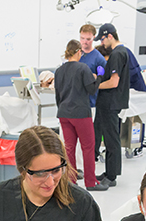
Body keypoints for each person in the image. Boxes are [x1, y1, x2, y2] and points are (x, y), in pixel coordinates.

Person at [55, 40, 104, 192]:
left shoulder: (59, 71)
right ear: (78, 52)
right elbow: (92, 89)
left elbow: (58, 95)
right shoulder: (83, 68)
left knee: (69, 148)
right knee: (88, 147)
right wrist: (100, 76)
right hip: (81, 113)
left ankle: (71, 181)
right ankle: (91, 182)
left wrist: (63, 108)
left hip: (64, 113)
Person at [93, 23, 130, 188]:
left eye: (102, 39)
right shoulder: (123, 52)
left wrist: (95, 85)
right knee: (109, 138)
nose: (102, 43)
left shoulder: (116, 54)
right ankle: (109, 172)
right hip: (111, 103)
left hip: (110, 102)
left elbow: (114, 82)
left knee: (111, 139)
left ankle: (112, 176)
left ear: (109, 36)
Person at [78, 24, 106, 111]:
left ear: (94, 38)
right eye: (82, 38)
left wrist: (96, 77)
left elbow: (104, 80)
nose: (84, 42)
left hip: (89, 103)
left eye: (88, 39)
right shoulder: (75, 55)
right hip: (73, 101)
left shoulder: (99, 58)